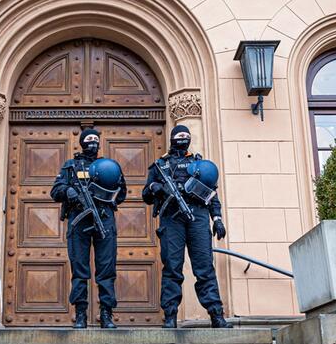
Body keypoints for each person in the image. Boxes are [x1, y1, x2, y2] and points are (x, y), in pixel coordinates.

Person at [142, 124, 231, 328]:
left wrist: (217, 219)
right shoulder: (160, 166)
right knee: (172, 267)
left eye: (186, 135)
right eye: (179, 135)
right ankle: (171, 316)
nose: (183, 138)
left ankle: (216, 315)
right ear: (172, 138)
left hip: (198, 217)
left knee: (205, 267)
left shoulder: (199, 163)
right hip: (172, 218)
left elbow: (211, 194)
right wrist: (156, 187)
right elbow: (145, 195)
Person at [50, 128, 127, 329]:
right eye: (89, 139)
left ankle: (106, 314)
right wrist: (68, 191)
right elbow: (55, 190)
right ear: (82, 142)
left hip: (104, 218)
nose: (92, 142)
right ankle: (81, 313)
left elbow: (122, 193)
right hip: (79, 219)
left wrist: (106, 194)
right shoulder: (71, 166)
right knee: (80, 269)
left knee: (106, 269)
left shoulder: (110, 166)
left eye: (95, 139)